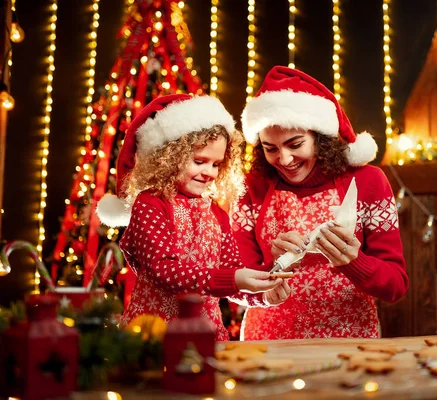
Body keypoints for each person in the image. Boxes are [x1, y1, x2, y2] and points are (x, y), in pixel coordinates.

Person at [232, 66, 409, 340]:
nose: (285, 159)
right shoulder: (250, 188)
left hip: (350, 344)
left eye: (295, 144)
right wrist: (269, 276)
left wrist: (354, 262)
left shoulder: (369, 182)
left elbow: (396, 286)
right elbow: (234, 281)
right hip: (268, 344)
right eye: (271, 148)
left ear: (320, 138)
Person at [96, 94, 288, 341]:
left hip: (207, 335)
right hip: (156, 336)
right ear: (170, 157)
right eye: (200, 161)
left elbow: (229, 274)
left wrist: (262, 295)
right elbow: (162, 271)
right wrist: (234, 278)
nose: (209, 172)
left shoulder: (216, 212)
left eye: (217, 164)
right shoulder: (151, 204)